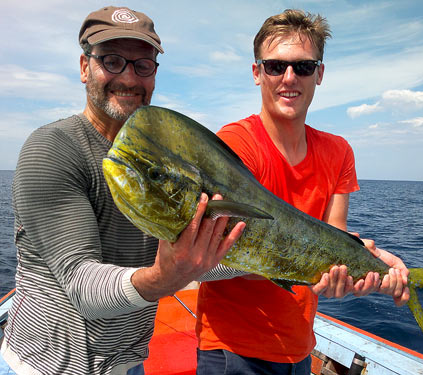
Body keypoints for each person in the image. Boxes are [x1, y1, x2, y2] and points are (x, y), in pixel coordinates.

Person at [0, 6, 245, 375]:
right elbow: (82, 285)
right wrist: (164, 278)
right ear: (85, 67)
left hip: (129, 363)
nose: (129, 77)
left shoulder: (161, 163)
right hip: (45, 367)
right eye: (112, 61)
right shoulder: (51, 148)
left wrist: (283, 270)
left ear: (155, 75)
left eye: (142, 65)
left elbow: (190, 260)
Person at [195, 9, 410, 375]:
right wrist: (312, 265)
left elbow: (333, 238)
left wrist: (367, 263)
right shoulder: (234, 146)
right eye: (276, 66)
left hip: (299, 347)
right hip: (232, 349)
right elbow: (209, 259)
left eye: (304, 67)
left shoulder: (339, 151)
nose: (289, 78)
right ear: (257, 73)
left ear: (320, 74)